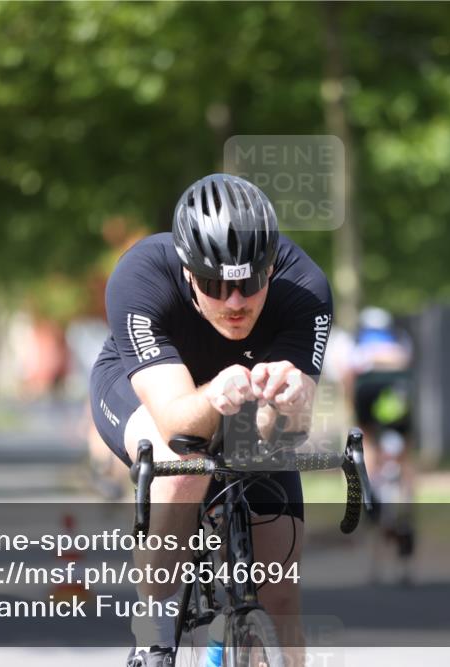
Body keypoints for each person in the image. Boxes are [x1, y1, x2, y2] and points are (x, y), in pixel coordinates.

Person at [89, 174, 333, 667]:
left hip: (243, 400)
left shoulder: (304, 288)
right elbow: (180, 422)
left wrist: (287, 400)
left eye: (249, 283)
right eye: (215, 285)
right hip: (146, 391)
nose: (235, 301)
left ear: (271, 268)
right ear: (186, 271)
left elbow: (294, 423)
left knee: (282, 602)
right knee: (184, 461)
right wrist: (217, 393)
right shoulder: (140, 275)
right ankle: (154, 631)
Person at [342, 307, 417, 579]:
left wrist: (352, 410)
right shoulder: (400, 339)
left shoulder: (357, 342)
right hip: (397, 386)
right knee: (405, 452)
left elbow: (348, 377)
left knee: (369, 440)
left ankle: (370, 487)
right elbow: (408, 367)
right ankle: (407, 500)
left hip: (368, 387)